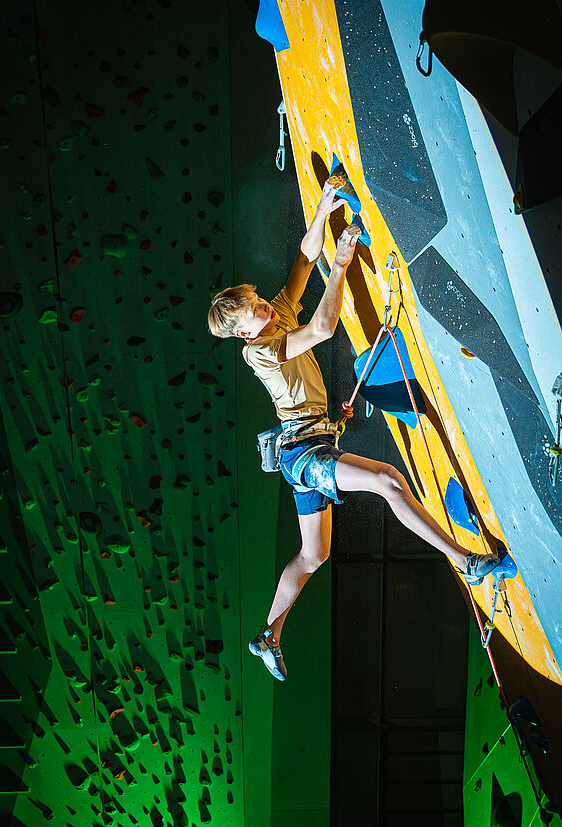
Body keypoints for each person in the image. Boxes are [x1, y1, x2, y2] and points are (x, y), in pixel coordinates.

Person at [207, 180, 502, 681]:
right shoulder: (258, 350)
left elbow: (304, 261)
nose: (265, 306)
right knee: (388, 480)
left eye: (258, 300)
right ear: (241, 331)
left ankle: (269, 635)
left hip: (306, 445)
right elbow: (323, 329)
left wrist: (323, 211)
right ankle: (464, 561)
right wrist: (341, 263)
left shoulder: (275, 319)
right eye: (255, 310)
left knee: (313, 553)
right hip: (304, 455)